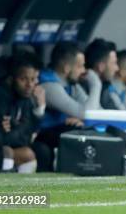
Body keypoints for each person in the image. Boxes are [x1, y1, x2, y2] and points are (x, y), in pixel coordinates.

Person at [36, 42, 98, 171]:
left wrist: (82, 119)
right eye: (80, 66)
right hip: (42, 134)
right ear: (66, 68)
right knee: (82, 137)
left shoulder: (71, 84)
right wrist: (96, 85)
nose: (84, 71)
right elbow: (86, 113)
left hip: (59, 130)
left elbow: (96, 111)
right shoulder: (49, 85)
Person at [0, 52, 44, 173]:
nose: (29, 85)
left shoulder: (26, 97)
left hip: (10, 143)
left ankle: (22, 190)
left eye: (33, 79)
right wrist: (20, 128)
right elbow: (0, 134)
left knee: (36, 151)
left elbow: (29, 131)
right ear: (11, 79)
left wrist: (40, 108)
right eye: (23, 79)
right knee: (2, 146)